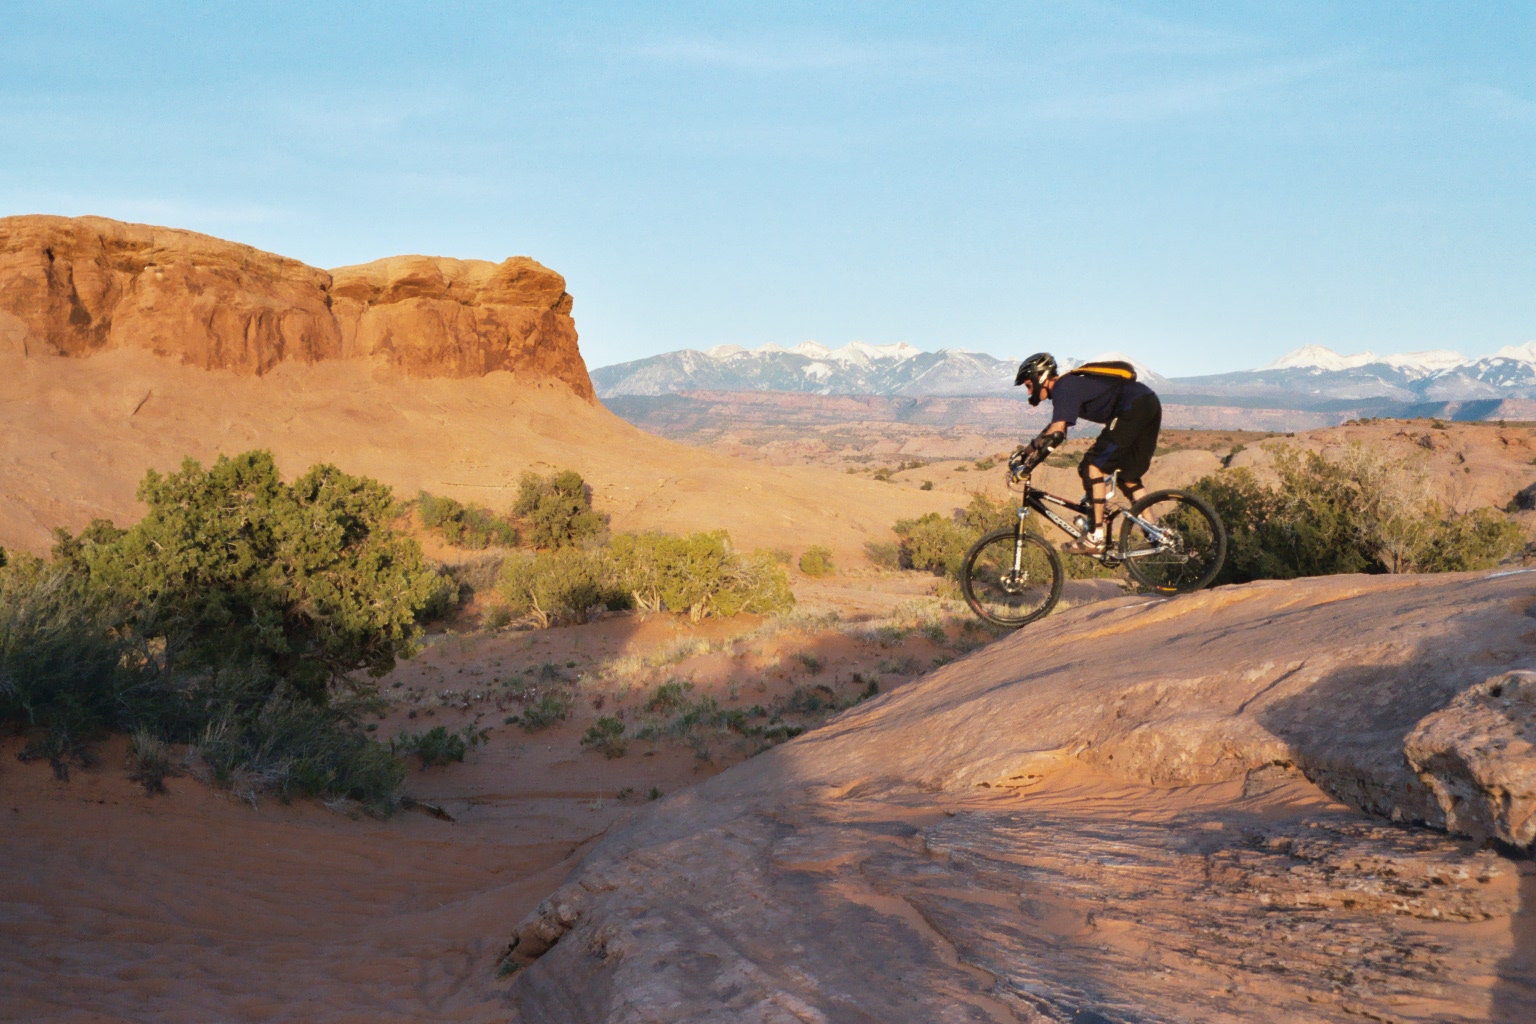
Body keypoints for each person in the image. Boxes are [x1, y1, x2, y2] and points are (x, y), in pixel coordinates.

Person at [1008, 352, 1162, 554]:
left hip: (1132, 407)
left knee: (1091, 466)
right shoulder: (1068, 386)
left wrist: (1027, 468)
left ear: (1041, 377)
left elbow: (1056, 435)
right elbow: (1052, 429)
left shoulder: (1063, 386)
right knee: (1128, 475)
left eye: (1029, 385)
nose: (1029, 392)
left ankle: (1095, 537)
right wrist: (1025, 452)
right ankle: (1156, 534)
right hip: (1149, 403)